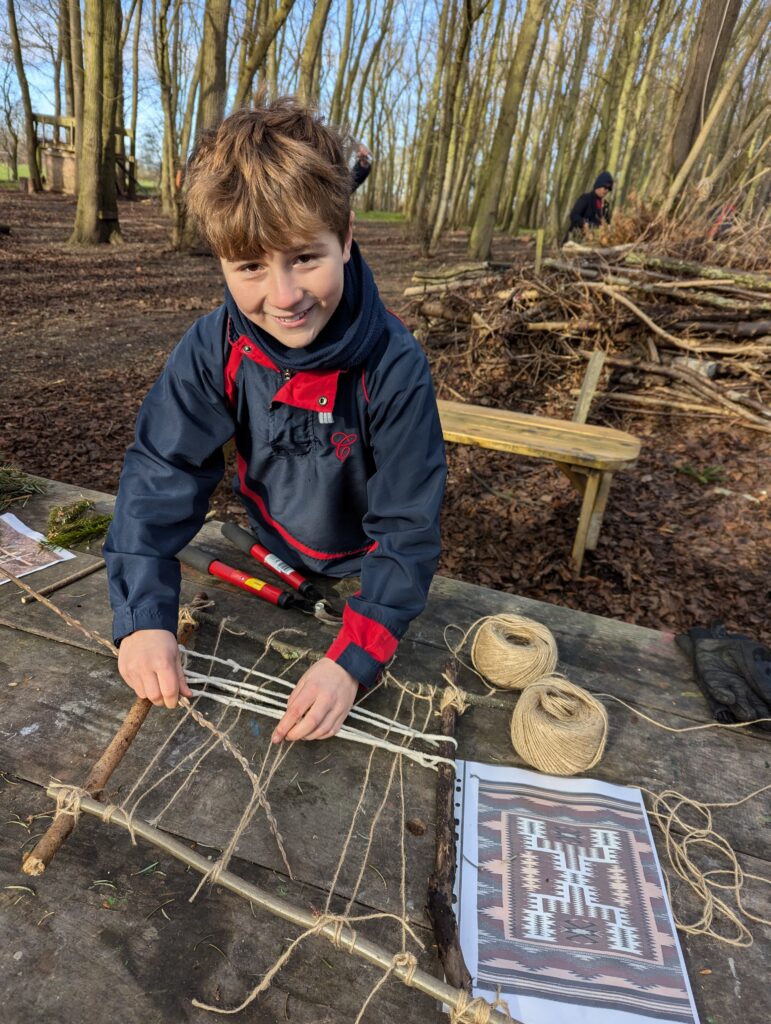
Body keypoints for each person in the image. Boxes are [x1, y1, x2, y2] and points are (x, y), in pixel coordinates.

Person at [104, 98, 446, 745]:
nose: (284, 296)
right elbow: (162, 470)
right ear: (222, 262)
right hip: (266, 549)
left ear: (345, 240)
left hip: (364, 564)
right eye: (252, 267)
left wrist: (351, 661)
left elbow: (407, 528)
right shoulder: (215, 348)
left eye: (304, 258)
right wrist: (145, 615)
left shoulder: (394, 366)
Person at [567, 171, 614, 236]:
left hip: (594, 242)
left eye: (609, 189)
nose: (606, 191)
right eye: (605, 187)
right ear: (599, 185)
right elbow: (574, 216)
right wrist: (585, 224)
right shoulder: (586, 198)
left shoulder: (605, 205)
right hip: (576, 237)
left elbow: (607, 224)